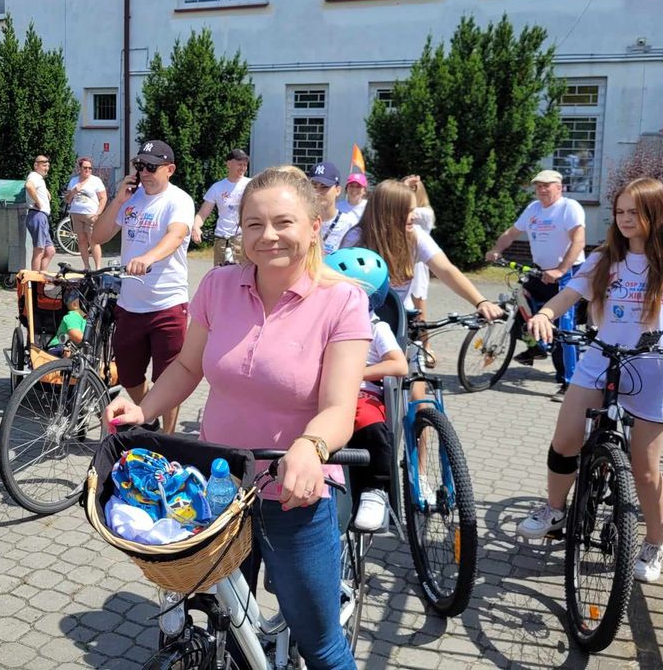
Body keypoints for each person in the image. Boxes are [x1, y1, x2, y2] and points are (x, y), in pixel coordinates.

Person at [105, 165, 370, 669]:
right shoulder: (218, 286)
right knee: (228, 627)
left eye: (283, 222)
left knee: (322, 646)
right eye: (253, 224)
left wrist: (310, 447)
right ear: (239, 229)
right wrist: (142, 408)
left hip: (296, 495)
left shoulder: (342, 301)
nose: (268, 236)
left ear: (314, 226)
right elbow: (186, 366)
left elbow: (339, 408)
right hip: (218, 493)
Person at [517, 177, 663, 583]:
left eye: (635, 212)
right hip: (600, 360)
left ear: (655, 214)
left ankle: (655, 542)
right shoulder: (605, 258)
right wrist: (544, 314)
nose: (626, 220)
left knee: (645, 471)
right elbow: (569, 295)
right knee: (566, 440)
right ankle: (554, 509)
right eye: (620, 212)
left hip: (652, 368)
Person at [90, 140, 195, 435]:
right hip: (130, 304)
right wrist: (118, 200)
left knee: (168, 378)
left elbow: (176, 236)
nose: (144, 172)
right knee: (130, 375)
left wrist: (148, 258)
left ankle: (168, 437)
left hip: (167, 304)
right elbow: (98, 235)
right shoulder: (132, 200)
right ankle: (149, 415)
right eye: (140, 166)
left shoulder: (179, 200)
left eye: (151, 166)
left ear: (170, 169)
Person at [323, 247, 408, 533]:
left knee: (369, 423)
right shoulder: (323, 325)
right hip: (323, 390)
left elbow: (399, 366)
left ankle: (375, 489)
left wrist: (355, 374)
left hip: (362, 392)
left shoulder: (377, 327)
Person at [486, 168, 587, 400]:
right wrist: (496, 249)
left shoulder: (568, 207)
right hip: (541, 271)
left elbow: (579, 240)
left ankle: (569, 383)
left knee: (565, 327)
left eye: (547, 185)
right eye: (538, 186)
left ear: (559, 187)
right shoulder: (533, 209)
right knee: (518, 302)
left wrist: (561, 270)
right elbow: (511, 233)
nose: (541, 189)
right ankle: (538, 346)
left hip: (567, 272)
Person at [343, 180, 503, 324]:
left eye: (414, 210)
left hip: (395, 319)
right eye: (407, 211)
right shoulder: (356, 239)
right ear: (388, 213)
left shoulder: (415, 236)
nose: (414, 217)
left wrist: (481, 302)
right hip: (356, 321)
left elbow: (446, 270)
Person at [192, 148, 251, 266]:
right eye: (239, 164)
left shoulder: (251, 185)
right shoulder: (217, 187)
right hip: (221, 240)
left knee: (242, 275)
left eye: (245, 165)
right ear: (229, 164)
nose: (243, 168)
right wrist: (196, 227)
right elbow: (203, 214)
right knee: (220, 275)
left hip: (242, 239)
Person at [404, 175, 437, 367]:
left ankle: (427, 346)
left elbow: (399, 207)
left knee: (420, 311)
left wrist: (402, 189)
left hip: (418, 266)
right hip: (400, 263)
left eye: (413, 191)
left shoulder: (425, 213)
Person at [65, 157, 108, 271]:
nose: (88, 170)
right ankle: (86, 267)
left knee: (93, 240)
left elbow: (103, 198)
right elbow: (67, 200)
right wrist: (74, 191)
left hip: (91, 215)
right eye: (85, 168)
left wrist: (98, 213)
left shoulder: (96, 180)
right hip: (76, 214)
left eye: (90, 168)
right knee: (82, 241)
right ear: (80, 168)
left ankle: (98, 267)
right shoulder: (74, 181)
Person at [309, 161, 358, 256]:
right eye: (314, 186)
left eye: (324, 187)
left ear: (338, 190)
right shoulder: (302, 221)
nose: (318, 192)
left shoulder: (349, 225)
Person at [25, 155, 55, 272]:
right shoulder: (34, 176)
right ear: (36, 165)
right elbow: (29, 186)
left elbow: (33, 186)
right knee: (39, 250)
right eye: (44, 165)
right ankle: (34, 283)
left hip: (42, 216)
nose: (46, 168)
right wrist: (38, 201)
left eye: (48, 165)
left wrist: (45, 191)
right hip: (37, 215)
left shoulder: (38, 179)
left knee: (50, 251)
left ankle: (41, 277)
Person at [46, 290, 86, 356]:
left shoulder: (84, 320)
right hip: (57, 348)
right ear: (75, 304)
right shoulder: (72, 316)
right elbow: (78, 337)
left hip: (73, 348)